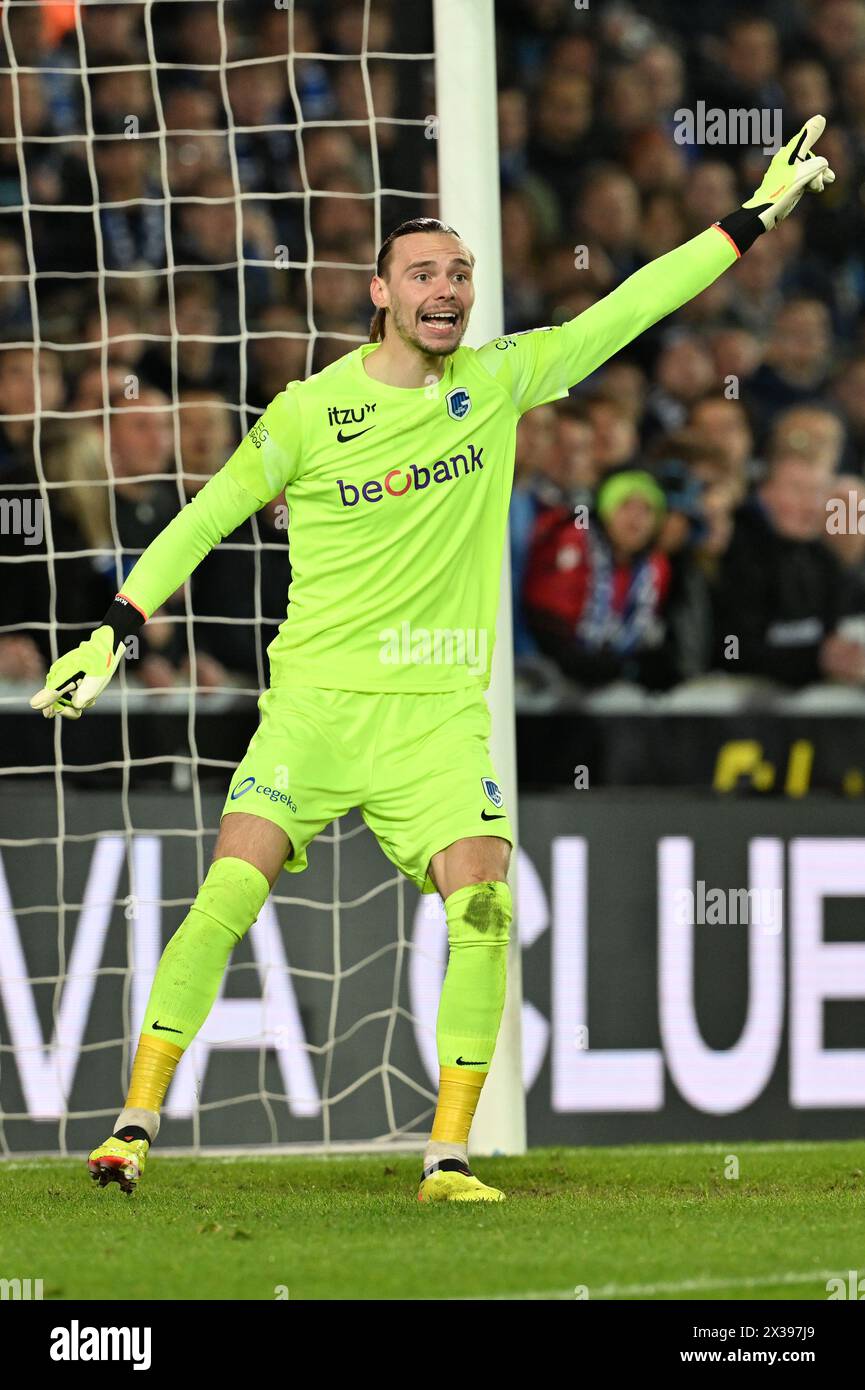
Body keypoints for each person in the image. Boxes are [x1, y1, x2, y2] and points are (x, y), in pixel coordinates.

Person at [30, 119, 835, 1203]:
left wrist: (743, 223)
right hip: (315, 708)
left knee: (485, 906)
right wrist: (116, 628)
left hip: (437, 718)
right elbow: (207, 515)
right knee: (226, 890)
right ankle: (130, 1127)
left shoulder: (501, 380)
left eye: (460, 271)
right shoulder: (312, 412)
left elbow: (629, 305)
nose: (447, 286)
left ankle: (446, 1155)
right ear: (379, 293)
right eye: (424, 272)